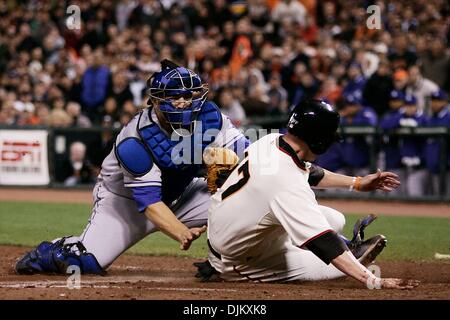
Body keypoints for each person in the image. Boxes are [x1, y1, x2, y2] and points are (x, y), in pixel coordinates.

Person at [15, 60, 249, 275]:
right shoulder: (135, 139)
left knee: (244, 195)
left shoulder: (210, 119)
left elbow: (249, 154)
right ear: (156, 101)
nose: (183, 103)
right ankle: (54, 251)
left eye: (188, 96)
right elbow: (150, 202)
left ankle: (223, 260)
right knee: (85, 263)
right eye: (174, 97)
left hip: (182, 195)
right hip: (124, 204)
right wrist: (182, 232)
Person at [201, 100, 419, 289]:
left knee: (335, 219)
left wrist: (359, 182)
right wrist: (373, 280)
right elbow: (323, 242)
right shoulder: (285, 184)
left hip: (232, 229)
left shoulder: (272, 141)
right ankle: (350, 255)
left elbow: (309, 172)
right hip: (236, 259)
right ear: (319, 140)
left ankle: (342, 248)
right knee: (334, 266)